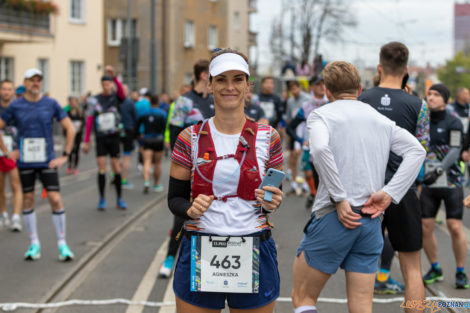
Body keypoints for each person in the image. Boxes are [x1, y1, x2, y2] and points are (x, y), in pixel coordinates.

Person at [291, 61, 426, 313]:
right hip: (370, 220)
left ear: (328, 91)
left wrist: (340, 198)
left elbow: (319, 149)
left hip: (335, 216)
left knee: (303, 297)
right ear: (360, 89)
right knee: (362, 306)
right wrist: (390, 193)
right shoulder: (380, 119)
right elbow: (417, 151)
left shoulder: (322, 114)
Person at [168, 48, 284, 313]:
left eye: (237, 79)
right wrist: (189, 208)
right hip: (200, 245)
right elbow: (174, 199)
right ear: (209, 84)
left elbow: (271, 201)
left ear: (247, 85)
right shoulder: (189, 138)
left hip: (254, 243)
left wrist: (272, 201)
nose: (229, 87)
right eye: (221, 79)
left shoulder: (269, 137)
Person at [358, 42, 429, 308]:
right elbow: (423, 149)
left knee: (362, 265)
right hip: (402, 192)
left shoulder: (361, 100)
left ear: (379, 67)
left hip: (366, 190)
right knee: (412, 267)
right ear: (406, 69)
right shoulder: (418, 105)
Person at [0, 68, 76, 261]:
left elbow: (70, 129)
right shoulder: (16, 106)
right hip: (25, 161)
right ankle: (34, 243)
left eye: (38, 80)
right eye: (32, 80)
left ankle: (62, 243)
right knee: (27, 199)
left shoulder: (50, 103)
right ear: (25, 83)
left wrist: (65, 155)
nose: (36, 83)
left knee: (55, 198)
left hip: (47, 159)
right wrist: (8, 152)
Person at [160, 59, 215, 278]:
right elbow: (174, 134)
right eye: (212, 75)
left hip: (213, 168)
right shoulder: (184, 102)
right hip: (190, 167)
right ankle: (170, 257)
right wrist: (182, 165)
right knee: (183, 212)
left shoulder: (213, 100)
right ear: (203, 75)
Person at [420, 83, 468, 289]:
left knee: (455, 227)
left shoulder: (454, 121)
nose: (431, 97)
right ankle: (435, 267)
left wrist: (439, 170)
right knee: (425, 227)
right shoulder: (422, 121)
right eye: (429, 94)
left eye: (436, 94)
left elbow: (455, 150)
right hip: (428, 184)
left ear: (445, 100)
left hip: (451, 181)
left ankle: (460, 271)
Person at [83, 65, 128, 211]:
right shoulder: (95, 100)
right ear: (101, 85)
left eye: (109, 84)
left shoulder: (116, 97)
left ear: (112, 84)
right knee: (101, 167)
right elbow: (89, 120)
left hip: (114, 136)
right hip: (101, 137)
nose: (106, 86)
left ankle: (119, 198)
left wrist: (114, 76)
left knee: (116, 167)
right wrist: (86, 140)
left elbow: (122, 93)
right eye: (104, 84)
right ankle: (102, 198)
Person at [287, 75, 328, 208]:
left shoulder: (331, 104)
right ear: (311, 87)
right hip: (309, 149)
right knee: (309, 173)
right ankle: (313, 193)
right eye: (318, 84)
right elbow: (290, 128)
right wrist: (301, 140)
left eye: (324, 84)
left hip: (327, 149)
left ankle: (319, 197)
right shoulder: (306, 106)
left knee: (324, 177)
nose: (322, 86)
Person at [0, 79, 22, 231]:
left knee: (16, 185)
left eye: (9, 89)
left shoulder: (17, 108)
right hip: (1, 152)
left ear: (13, 91)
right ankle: (3, 214)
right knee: (1, 187)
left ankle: (16, 217)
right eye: (4, 89)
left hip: (14, 152)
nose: (6, 91)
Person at [136, 94, 167, 193]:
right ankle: (156, 184)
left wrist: (139, 135)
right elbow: (165, 127)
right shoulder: (162, 113)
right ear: (158, 102)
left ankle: (146, 181)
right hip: (158, 139)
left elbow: (137, 124)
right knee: (157, 163)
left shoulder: (145, 113)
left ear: (150, 103)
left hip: (147, 139)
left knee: (147, 161)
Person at [286, 81, 311, 194]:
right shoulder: (290, 101)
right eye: (292, 89)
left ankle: (306, 183)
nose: (294, 91)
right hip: (295, 130)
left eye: (296, 88)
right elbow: (289, 118)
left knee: (307, 157)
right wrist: (289, 135)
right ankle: (294, 183)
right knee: (294, 155)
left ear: (300, 88)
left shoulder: (308, 99)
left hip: (306, 130)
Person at [120, 84, 138, 189]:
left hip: (117, 130)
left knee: (116, 156)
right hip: (128, 130)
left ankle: (115, 176)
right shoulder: (130, 103)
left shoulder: (116, 102)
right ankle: (123, 180)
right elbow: (135, 118)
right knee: (126, 156)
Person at [66, 96, 85, 175]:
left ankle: (75, 167)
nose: (73, 103)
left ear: (77, 103)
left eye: (74, 102)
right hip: (70, 134)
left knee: (76, 150)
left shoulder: (80, 112)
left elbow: (84, 121)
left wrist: (81, 125)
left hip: (78, 134)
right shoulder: (67, 112)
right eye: (71, 102)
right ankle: (70, 165)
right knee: (70, 150)